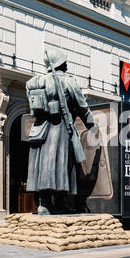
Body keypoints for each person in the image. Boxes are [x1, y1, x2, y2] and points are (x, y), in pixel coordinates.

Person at [25, 49, 97, 215]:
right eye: (65, 62)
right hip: (61, 128)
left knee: (43, 166)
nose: (66, 65)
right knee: (62, 165)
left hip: (40, 129)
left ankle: (44, 203)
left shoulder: (36, 81)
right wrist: (92, 125)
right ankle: (60, 201)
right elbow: (81, 106)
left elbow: (29, 94)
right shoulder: (68, 81)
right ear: (60, 64)